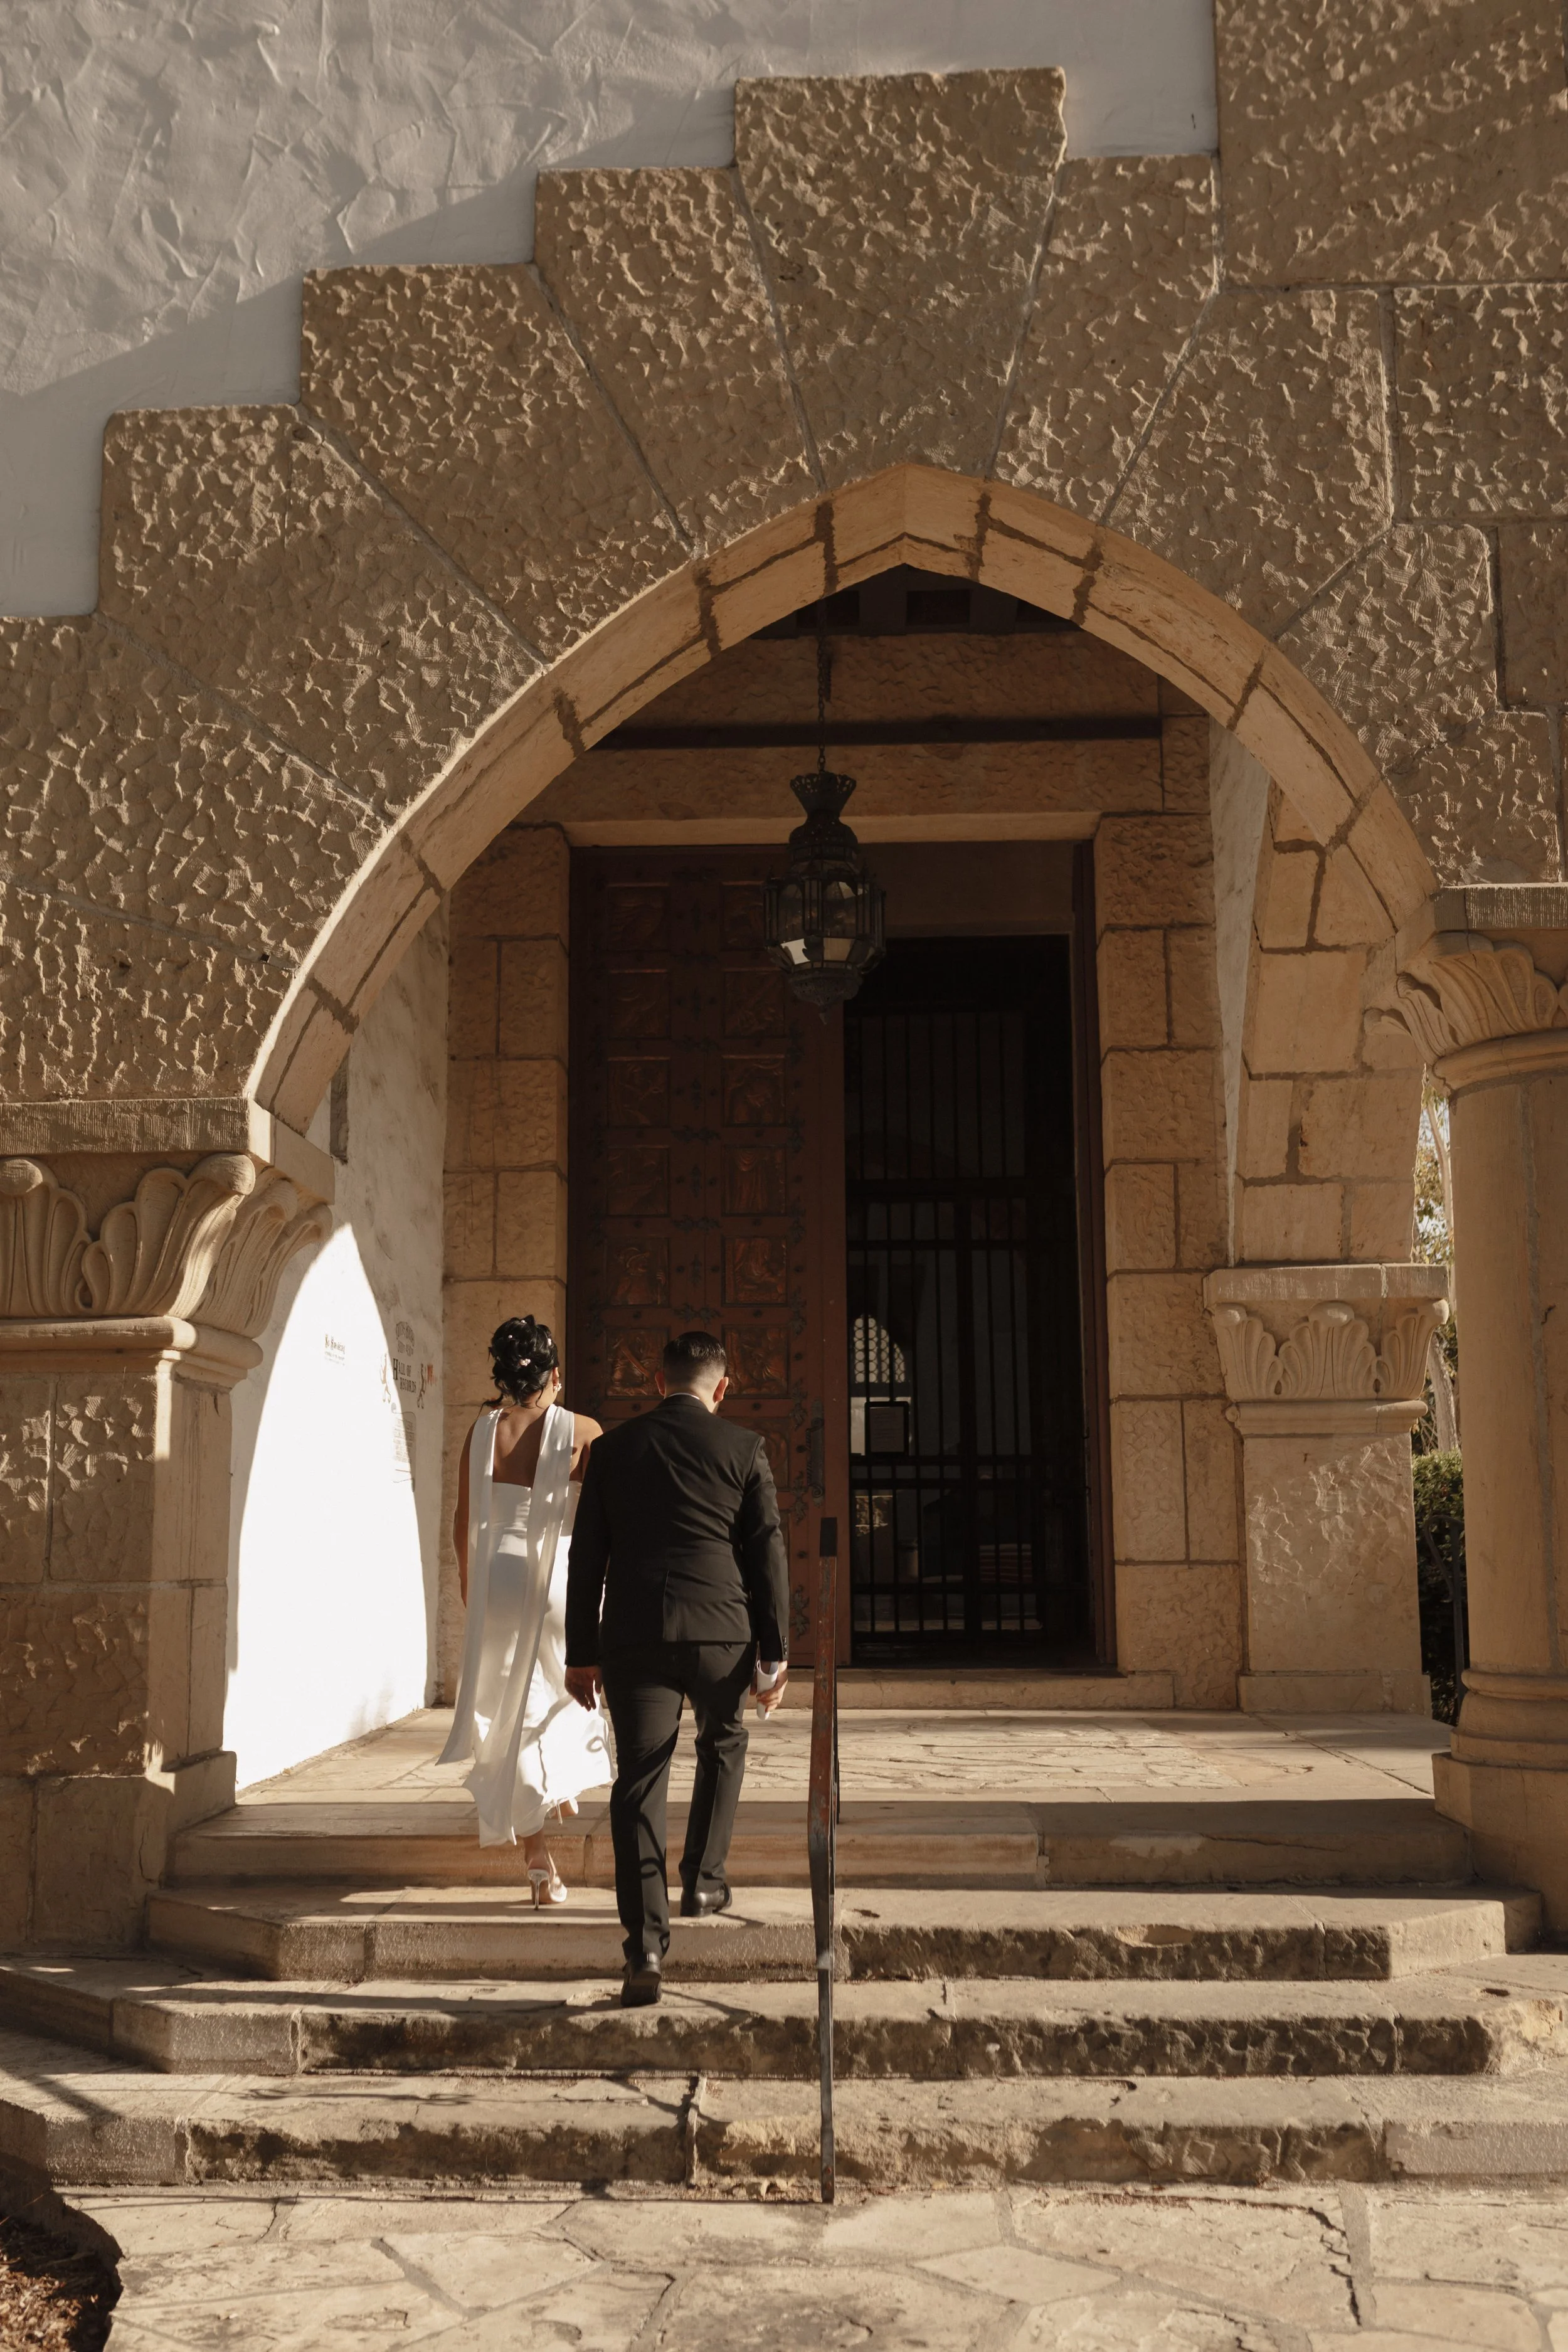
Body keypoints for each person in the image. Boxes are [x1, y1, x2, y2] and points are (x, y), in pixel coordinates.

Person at [563, 1330, 790, 2006]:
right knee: (722, 1745)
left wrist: (581, 1653)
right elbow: (768, 1555)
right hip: (722, 1631)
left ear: (657, 1383)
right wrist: (773, 1656)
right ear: (721, 1388)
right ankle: (703, 1879)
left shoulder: (612, 1450)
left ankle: (646, 1949)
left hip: (634, 1632)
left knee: (639, 1781)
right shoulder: (744, 1448)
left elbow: (586, 1559)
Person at [442, 1316, 612, 1903]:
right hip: (559, 1577)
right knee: (558, 1699)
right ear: (555, 1376)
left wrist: (472, 1588)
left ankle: (537, 1852)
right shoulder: (584, 1430)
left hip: (498, 1579)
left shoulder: (482, 1431)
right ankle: (549, 1810)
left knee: (505, 1710)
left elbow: (463, 1522)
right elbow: (600, 1524)